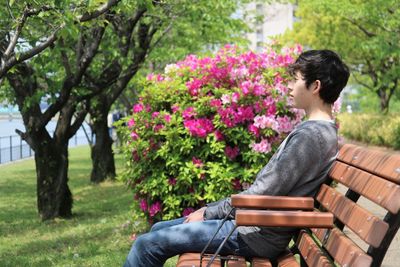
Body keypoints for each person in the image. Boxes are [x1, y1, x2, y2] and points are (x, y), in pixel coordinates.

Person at [123, 50, 350, 267]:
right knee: (158, 230)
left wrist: (208, 212)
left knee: (147, 244)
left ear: (315, 86)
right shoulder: (318, 131)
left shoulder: (311, 136)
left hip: (255, 234)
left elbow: (262, 193)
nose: (289, 85)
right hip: (253, 225)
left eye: (296, 79)